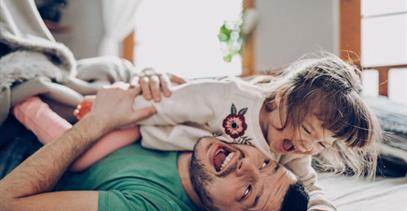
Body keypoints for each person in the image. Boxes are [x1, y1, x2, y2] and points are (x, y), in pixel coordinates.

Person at [14, 53, 382, 210]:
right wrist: (118, 109)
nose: (307, 147)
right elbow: (175, 102)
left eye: (320, 143)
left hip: (156, 145)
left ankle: (36, 107)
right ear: (285, 98)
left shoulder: (294, 153)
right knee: (85, 145)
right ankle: (33, 105)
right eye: (307, 131)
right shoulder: (231, 98)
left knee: (81, 162)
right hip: (146, 125)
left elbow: (310, 187)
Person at [0, 86, 310, 211]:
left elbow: (6, 201)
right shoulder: (218, 126)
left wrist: (99, 122)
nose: (247, 167)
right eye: (268, 165)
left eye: (247, 192)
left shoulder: (150, 206)